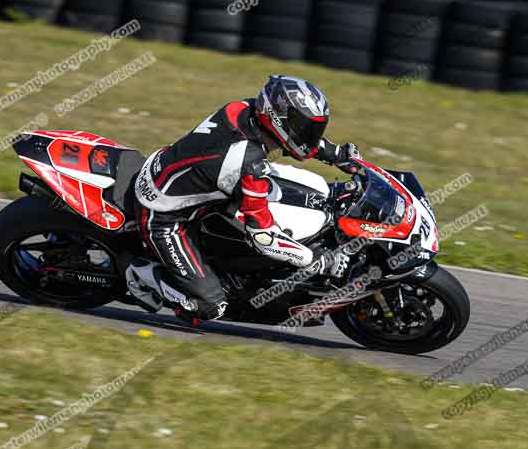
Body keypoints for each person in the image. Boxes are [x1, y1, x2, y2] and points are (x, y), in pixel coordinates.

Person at [127, 75, 361, 322]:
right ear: (278, 117)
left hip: (184, 180)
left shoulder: (243, 109)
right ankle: (141, 274)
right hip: (163, 215)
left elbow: (292, 140)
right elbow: (263, 237)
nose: (310, 135)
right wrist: (313, 259)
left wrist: (337, 155)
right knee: (210, 307)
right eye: (306, 128)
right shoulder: (247, 163)